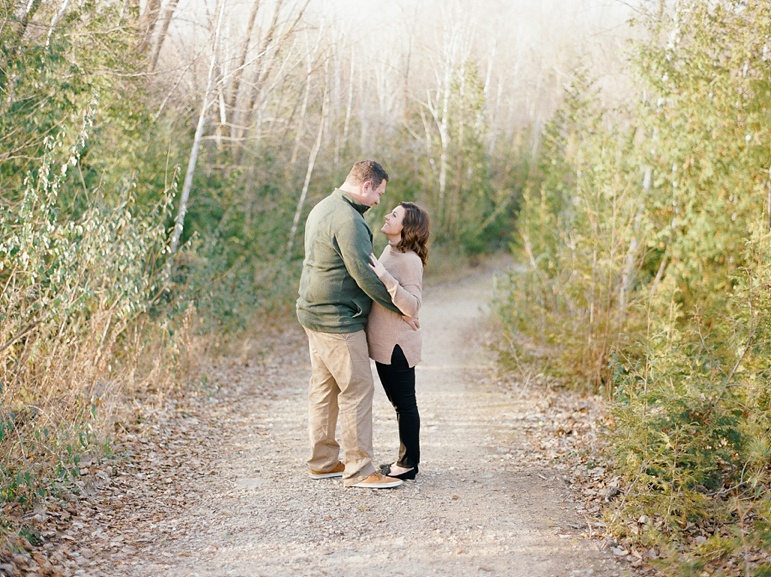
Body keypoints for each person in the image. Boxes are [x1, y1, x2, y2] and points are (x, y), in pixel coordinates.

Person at [296, 160, 415, 489]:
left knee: (324, 389)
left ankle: (322, 462)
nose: (379, 201)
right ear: (366, 186)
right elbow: (366, 274)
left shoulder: (324, 207)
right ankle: (360, 470)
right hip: (336, 319)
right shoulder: (349, 220)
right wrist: (399, 308)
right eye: (379, 192)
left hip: (313, 313)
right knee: (357, 390)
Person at [366, 201, 430, 481]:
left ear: (407, 227)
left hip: (398, 347)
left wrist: (383, 274)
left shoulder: (409, 260)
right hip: (386, 343)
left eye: (394, 215)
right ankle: (405, 461)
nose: (387, 216)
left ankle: (407, 465)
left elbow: (413, 305)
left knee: (405, 405)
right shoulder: (391, 251)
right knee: (399, 404)